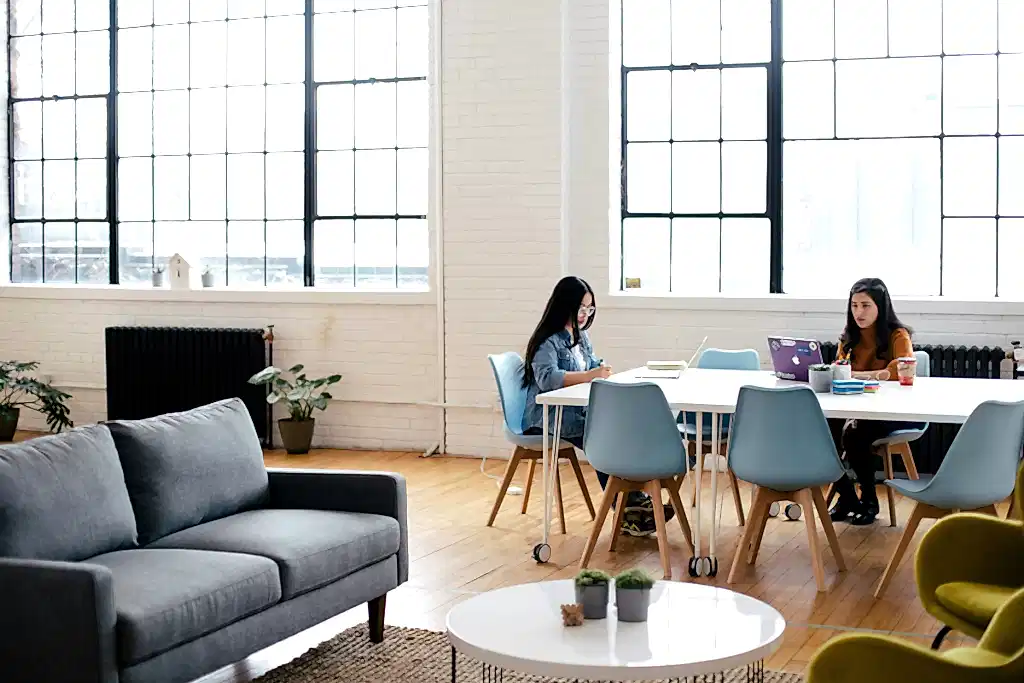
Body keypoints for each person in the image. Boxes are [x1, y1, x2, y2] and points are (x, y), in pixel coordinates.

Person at [521, 275, 673, 537]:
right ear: (564, 304)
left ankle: (634, 503)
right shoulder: (548, 340)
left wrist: (600, 369)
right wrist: (591, 375)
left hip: (578, 412)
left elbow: (590, 363)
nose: (584, 314)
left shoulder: (581, 337)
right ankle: (627, 509)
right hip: (550, 417)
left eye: (589, 309)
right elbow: (547, 379)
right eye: (581, 307)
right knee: (606, 438)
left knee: (620, 429)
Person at [828, 277, 914, 526]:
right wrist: (876, 374)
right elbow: (839, 369)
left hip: (889, 410)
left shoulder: (898, 335)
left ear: (880, 306)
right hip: (851, 405)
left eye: (865, 305)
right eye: (854, 306)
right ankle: (846, 496)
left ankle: (869, 500)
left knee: (855, 433)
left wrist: (858, 375)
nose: (859, 312)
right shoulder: (848, 336)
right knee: (821, 429)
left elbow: (901, 369)